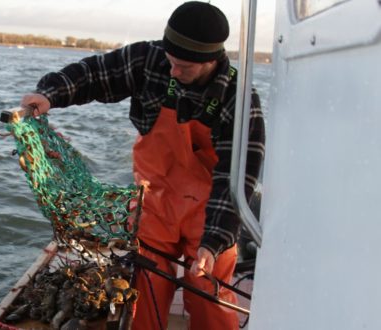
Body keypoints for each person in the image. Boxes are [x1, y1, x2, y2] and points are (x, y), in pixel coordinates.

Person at [20, 1, 265, 329]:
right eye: (171, 61)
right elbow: (95, 74)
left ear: (211, 61)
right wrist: (50, 94)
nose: (173, 71)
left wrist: (213, 241)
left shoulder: (239, 100)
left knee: (208, 293)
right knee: (145, 290)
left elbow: (235, 180)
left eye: (184, 67)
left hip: (209, 208)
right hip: (155, 200)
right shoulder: (149, 59)